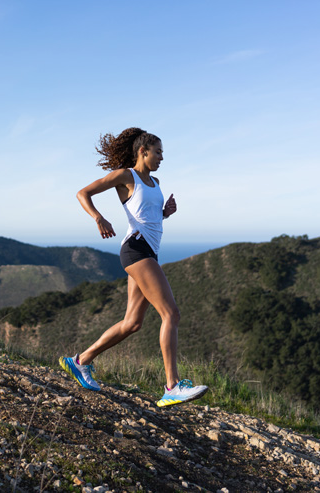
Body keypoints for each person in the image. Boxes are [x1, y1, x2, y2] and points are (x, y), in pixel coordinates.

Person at [59, 127, 207, 407]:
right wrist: (98, 218)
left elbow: (148, 215)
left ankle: (81, 361)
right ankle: (172, 386)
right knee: (171, 314)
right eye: (159, 152)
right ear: (143, 151)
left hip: (147, 251)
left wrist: (165, 213)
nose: (162, 157)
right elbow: (83, 193)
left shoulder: (156, 181)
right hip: (136, 251)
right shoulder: (126, 176)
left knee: (133, 323)